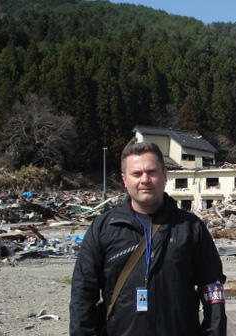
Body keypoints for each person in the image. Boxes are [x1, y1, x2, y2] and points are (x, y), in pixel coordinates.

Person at [70, 141, 227, 335]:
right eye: (136, 174)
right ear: (124, 179)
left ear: (164, 174)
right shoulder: (104, 228)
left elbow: (212, 288)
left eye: (152, 172)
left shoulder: (190, 227)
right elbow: (82, 294)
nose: (145, 179)